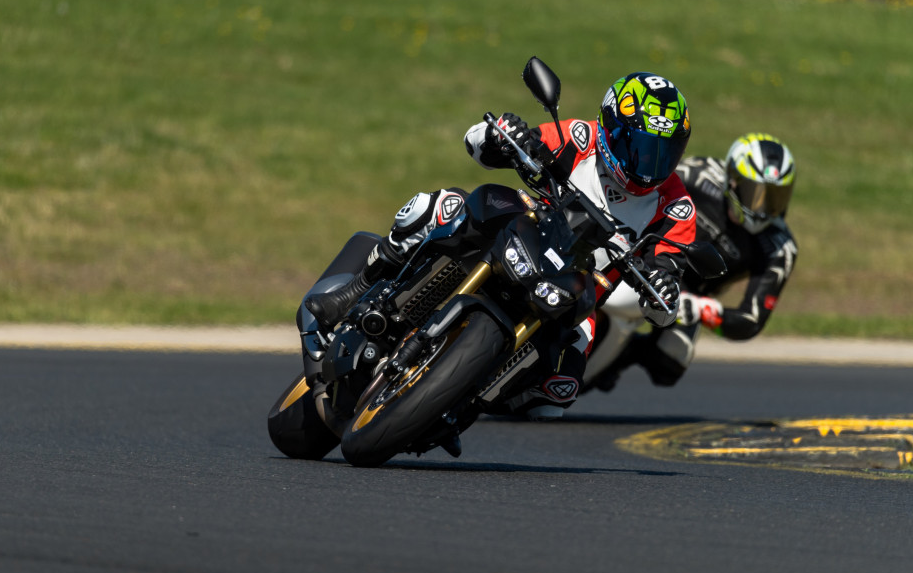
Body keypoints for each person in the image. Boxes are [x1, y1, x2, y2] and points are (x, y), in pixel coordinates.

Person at [307, 71, 698, 419]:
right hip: (525, 227)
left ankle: (462, 400)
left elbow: (665, 292)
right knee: (441, 206)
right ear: (611, 128)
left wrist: (664, 289)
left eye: (665, 153)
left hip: (577, 289)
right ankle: (355, 290)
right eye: (642, 149)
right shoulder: (580, 138)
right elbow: (475, 143)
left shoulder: (676, 207)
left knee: (556, 396)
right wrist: (504, 136)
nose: (649, 166)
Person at [585, 132, 798, 391]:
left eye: (776, 197)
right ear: (733, 181)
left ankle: (620, 356)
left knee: (671, 363)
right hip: (645, 256)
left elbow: (751, 321)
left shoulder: (779, 247)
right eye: (757, 194)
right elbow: (651, 186)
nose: (764, 208)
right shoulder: (700, 174)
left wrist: (704, 311)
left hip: (687, 297)